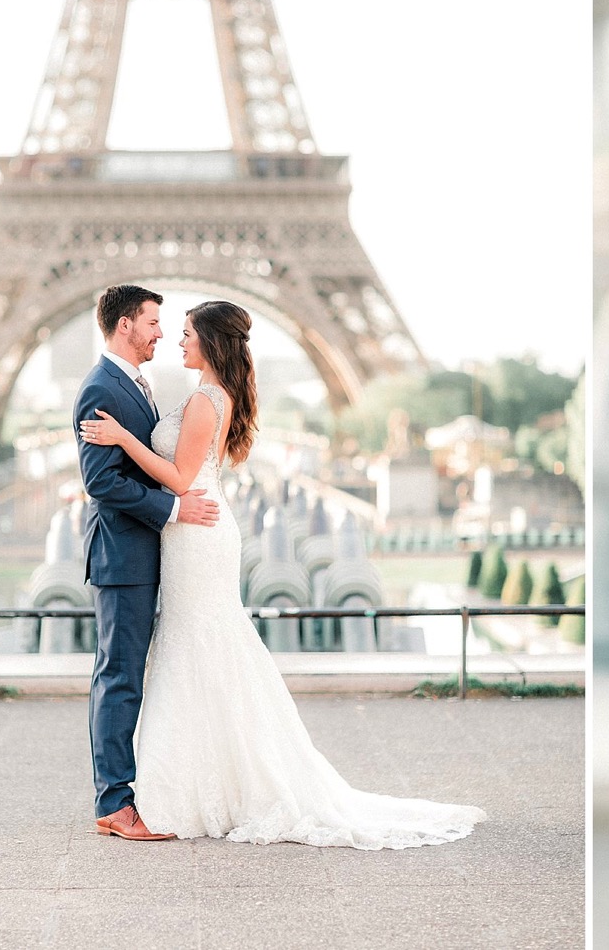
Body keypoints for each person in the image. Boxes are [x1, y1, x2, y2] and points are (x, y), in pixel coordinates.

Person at [79, 298, 485, 847]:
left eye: (186, 333)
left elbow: (177, 478)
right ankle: (182, 789)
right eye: (162, 326)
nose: (174, 340)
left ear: (211, 343)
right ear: (125, 323)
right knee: (195, 654)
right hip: (186, 534)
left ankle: (175, 793)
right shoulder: (192, 394)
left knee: (194, 651)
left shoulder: (203, 400)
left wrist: (127, 440)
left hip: (194, 532)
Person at [75, 284, 219, 841]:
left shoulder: (135, 381)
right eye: (154, 322)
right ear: (124, 324)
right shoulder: (100, 387)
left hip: (146, 551)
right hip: (124, 556)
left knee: (129, 676)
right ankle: (115, 802)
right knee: (120, 677)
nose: (161, 332)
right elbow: (101, 480)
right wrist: (175, 509)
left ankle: (133, 793)